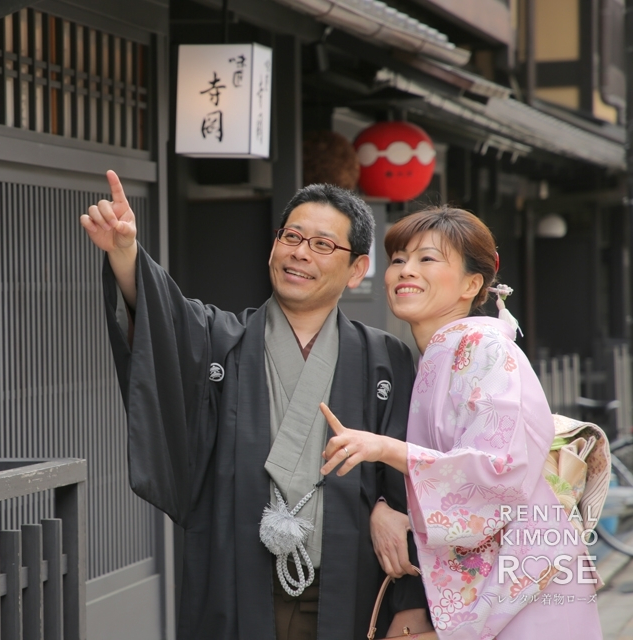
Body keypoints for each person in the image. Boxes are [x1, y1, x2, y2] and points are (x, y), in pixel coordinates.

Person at [80, 170, 430, 639]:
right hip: (237, 587)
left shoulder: (385, 359)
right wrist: (125, 252)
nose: (300, 253)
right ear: (274, 245)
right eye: (292, 236)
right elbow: (164, 322)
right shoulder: (220, 340)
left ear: (356, 270)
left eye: (323, 245)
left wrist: (409, 601)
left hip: (351, 591)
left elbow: (411, 484)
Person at [319, 207, 604, 639]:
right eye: (398, 259)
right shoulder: (439, 352)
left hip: (522, 585)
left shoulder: (484, 348)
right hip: (506, 578)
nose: (405, 271)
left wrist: (385, 450)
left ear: (473, 284)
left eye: (427, 259)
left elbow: (501, 469)